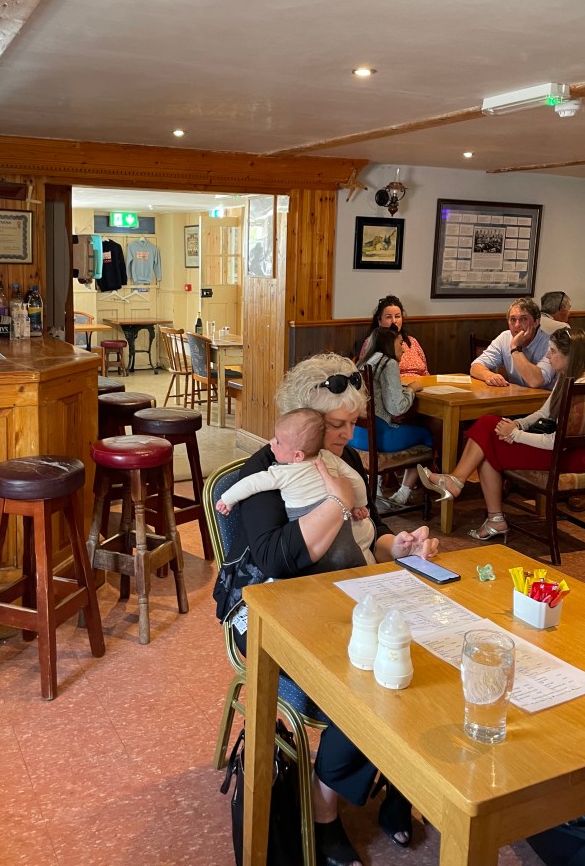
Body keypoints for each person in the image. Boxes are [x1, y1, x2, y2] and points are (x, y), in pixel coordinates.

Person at [225, 352, 439, 865]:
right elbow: (275, 557)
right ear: (305, 422)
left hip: (348, 594)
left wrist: (399, 547)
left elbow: (371, 533)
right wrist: (337, 501)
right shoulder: (269, 468)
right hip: (272, 607)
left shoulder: (341, 460)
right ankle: (324, 809)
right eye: (336, 425)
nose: (347, 435)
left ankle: (401, 787)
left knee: (427, 656)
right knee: (369, 675)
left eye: (351, 423)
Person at [419, 328, 585, 542]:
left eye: (552, 351)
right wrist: (517, 423)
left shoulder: (580, 388)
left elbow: (554, 441)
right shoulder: (572, 376)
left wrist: (516, 435)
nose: (547, 356)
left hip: (566, 457)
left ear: (570, 354)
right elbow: (544, 413)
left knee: (487, 434)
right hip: (561, 449)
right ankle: (475, 501)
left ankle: (467, 493)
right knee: (488, 431)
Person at [216, 407, 368, 521]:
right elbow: (356, 479)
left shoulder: (283, 472)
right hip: (341, 524)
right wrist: (359, 504)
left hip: (306, 526)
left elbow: (251, 484)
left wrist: (227, 500)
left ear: (297, 456)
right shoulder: (328, 458)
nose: (271, 442)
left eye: (278, 442)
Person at [351, 327, 433, 509]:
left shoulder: (365, 362)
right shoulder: (388, 363)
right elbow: (397, 408)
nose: (403, 349)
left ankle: (375, 489)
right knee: (428, 435)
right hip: (379, 438)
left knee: (411, 429)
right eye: (400, 343)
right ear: (389, 343)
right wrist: (412, 389)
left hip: (356, 435)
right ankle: (403, 495)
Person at [470, 298, 554, 389]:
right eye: (513, 320)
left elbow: (535, 381)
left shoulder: (551, 344)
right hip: (516, 397)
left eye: (523, 319)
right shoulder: (505, 337)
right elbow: (475, 366)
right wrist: (488, 376)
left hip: (545, 399)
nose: (517, 325)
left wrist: (515, 348)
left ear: (536, 322)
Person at [357, 295, 428, 377]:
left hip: (422, 385)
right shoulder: (372, 342)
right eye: (388, 317)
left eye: (397, 316)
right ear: (379, 321)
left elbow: (425, 372)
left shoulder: (412, 341)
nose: (394, 321)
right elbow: (367, 375)